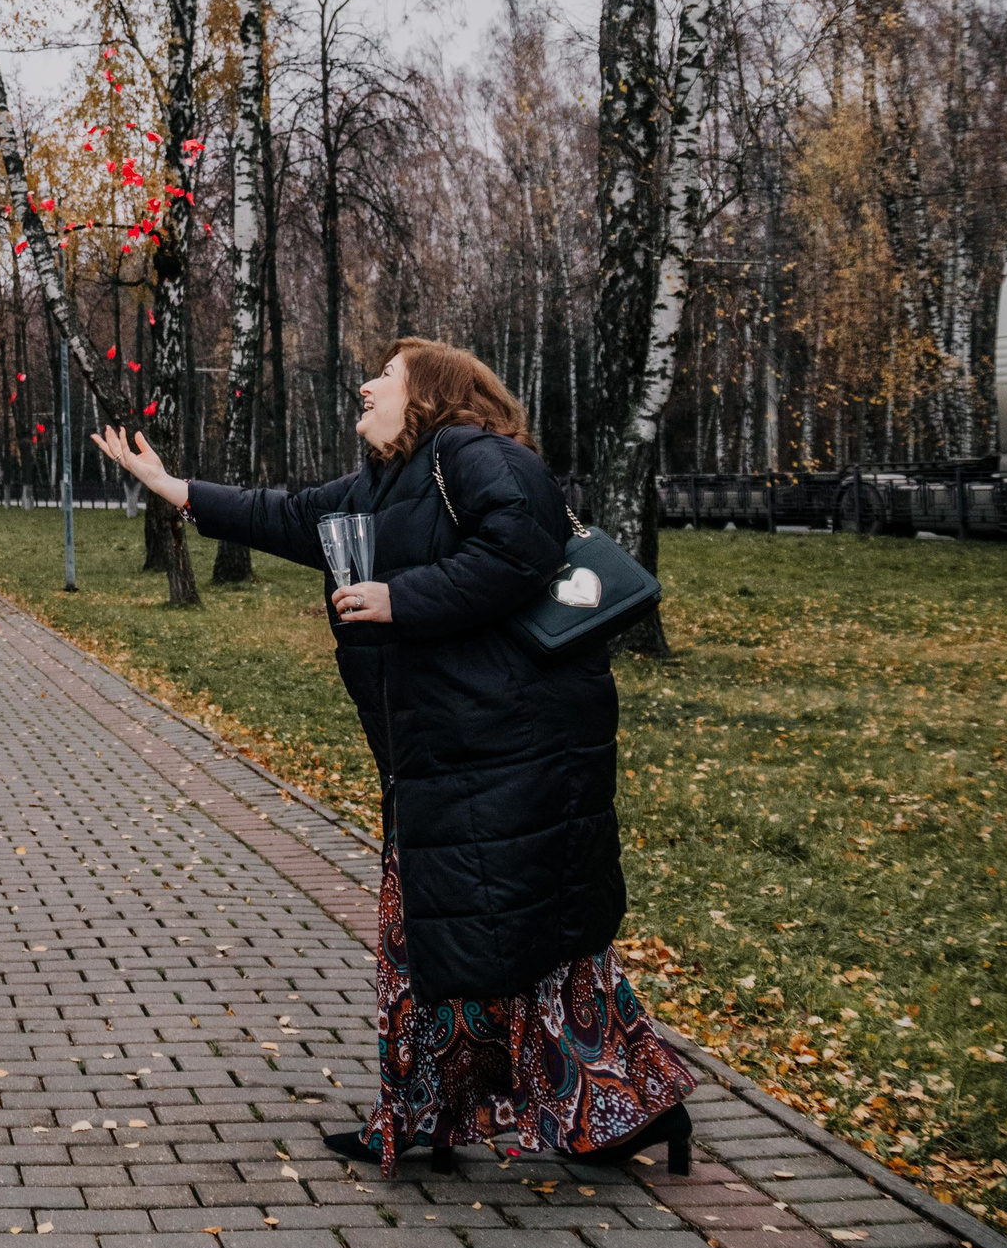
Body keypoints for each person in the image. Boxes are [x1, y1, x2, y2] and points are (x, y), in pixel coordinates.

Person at [92, 337, 694, 1176]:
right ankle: (575, 1109)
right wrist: (173, 487)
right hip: (451, 750)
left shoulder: (474, 454)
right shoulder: (382, 483)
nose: (366, 386)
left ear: (431, 396)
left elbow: (524, 542)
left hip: (509, 751)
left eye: (387, 376)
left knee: (487, 937)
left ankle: (583, 1107)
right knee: (466, 935)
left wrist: (397, 597)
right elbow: (286, 513)